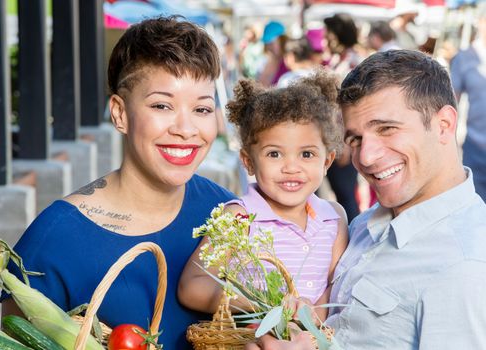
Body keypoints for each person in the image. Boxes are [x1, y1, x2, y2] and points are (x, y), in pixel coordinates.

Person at [0, 16, 235, 349]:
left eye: (202, 108)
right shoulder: (54, 241)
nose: (186, 128)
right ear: (120, 113)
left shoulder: (226, 215)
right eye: (162, 105)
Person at [247, 49, 486, 349]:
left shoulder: (466, 266)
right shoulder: (364, 224)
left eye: (386, 129)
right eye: (355, 139)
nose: (367, 156)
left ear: (444, 125)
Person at [178, 68, 349, 322]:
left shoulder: (333, 217)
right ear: (248, 161)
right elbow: (191, 287)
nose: (291, 167)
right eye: (274, 154)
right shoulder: (240, 217)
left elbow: (337, 285)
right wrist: (264, 301)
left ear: (327, 161)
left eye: (307, 154)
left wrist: (311, 318)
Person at [322, 13, 362, 221]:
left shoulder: (353, 64)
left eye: (328, 34)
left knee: (346, 196)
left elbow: (351, 106)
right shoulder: (338, 61)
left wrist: (346, 143)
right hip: (333, 139)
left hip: (341, 142)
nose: (325, 39)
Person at [450, 5, 486, 202]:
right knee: (477, 206)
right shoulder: (464, 57)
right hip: (477, 147)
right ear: (481, 23)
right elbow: (450, 100)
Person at [257, 20, 290, 87]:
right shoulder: (267, 61)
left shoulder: (290, 62)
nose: (269, 47)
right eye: (267, 44)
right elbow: (261, 86)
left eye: (271, 43)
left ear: (282, 40)